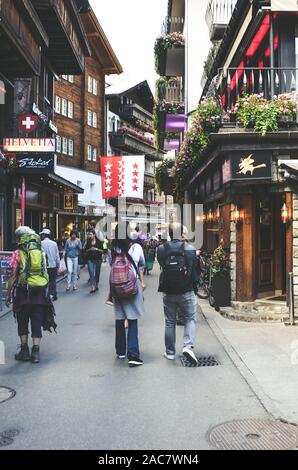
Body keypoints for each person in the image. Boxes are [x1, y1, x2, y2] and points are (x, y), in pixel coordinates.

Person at [6, 226, 57, 364]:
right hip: (39, 292)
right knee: (36, 321)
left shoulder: (18, 252)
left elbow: (13, 275)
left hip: (23, 293)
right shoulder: (40, 251)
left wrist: (8, 293)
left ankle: (24, 351)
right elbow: (44, 271)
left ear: (19, 238)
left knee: (22, 322)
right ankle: (36, 352)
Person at [157, 223, 199, 365]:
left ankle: (170, 352)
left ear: (169, 233)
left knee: (170, 322)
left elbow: (162, 265)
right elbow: (194, 268)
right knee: (189, 319)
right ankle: (188, 347)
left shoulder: (161, 249)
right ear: (182, 233)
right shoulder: (190, 249)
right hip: (186, 291)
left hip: (168, 291)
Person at [110, 223, 146, 367]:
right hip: (132, 287)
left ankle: (120, 351)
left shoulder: (113, 249)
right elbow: (142, 265)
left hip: (116, 287)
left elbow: (111, 265)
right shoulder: (136, 247)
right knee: (132, 319)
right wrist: (142, 282)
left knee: (119, 318)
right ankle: (133, 355)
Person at [40, 228, 60, 301]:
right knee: (52, 281)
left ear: (44, 235)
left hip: (44, 266)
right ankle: (53, 294)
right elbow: (57, 255)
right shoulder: (54, 244)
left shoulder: (40, 244)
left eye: (42, 235)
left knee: (44, 281)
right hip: (53, 265)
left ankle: (44, 295)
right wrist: (58, 265)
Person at [85, 229, 103, 294]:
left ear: (94, 235)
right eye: (89, 234)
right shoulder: (88, 242)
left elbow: (103, 251)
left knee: (97, 272)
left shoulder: (99, 242)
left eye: (90, 234)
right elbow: (85, 250)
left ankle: (96, 285)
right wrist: (90, 249)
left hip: (98, 259)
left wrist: (96, 249)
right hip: (90, 259)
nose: (89, 235)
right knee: (91, 272)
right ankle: (93, 287)